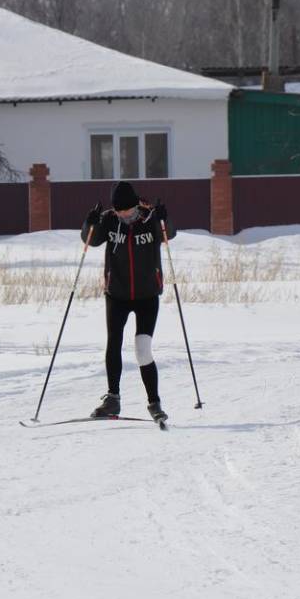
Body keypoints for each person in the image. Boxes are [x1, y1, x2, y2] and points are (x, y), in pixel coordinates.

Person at [81, 180, 176, 423]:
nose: (124, 214)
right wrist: (89, 222)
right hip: (117, 294)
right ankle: (113, 399)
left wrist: (164, 218)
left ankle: (154, 403)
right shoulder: (109, 219)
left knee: (142, 348)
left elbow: (169, 234)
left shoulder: (149, 218)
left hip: (147, 295)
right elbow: (91, 240)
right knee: (113, 343)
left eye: (128, 209)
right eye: (119, 210)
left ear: (135, 205)